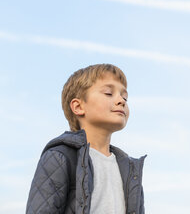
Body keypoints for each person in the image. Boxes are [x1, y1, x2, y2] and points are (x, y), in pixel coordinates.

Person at [26, 63, 147, 214]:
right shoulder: (60, 156)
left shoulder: (130, 170)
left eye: (125, 97)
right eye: (109, 93)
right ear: (78, 107)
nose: (121, 101)